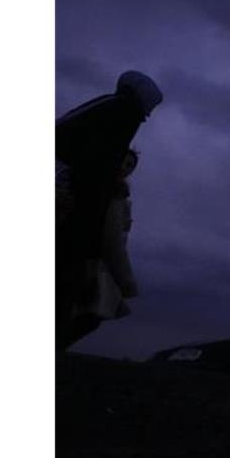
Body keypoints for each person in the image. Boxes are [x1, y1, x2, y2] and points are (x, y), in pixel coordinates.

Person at [56, 71, 162, 350]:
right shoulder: (122, 112)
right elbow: (95, 170)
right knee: (66, 290)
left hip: (71, 215)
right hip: (74, 222)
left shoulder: (103, 106)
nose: (147, 116)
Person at [60, 149, 141, 349]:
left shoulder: (117, 192)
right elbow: (111, 237)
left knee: (84, 314)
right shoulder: (109, 191)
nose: (125, 168)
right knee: (87, 314)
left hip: (91, 261)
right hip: (87, 260)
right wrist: (126, 281)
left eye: (130, 165)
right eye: (123, 161)